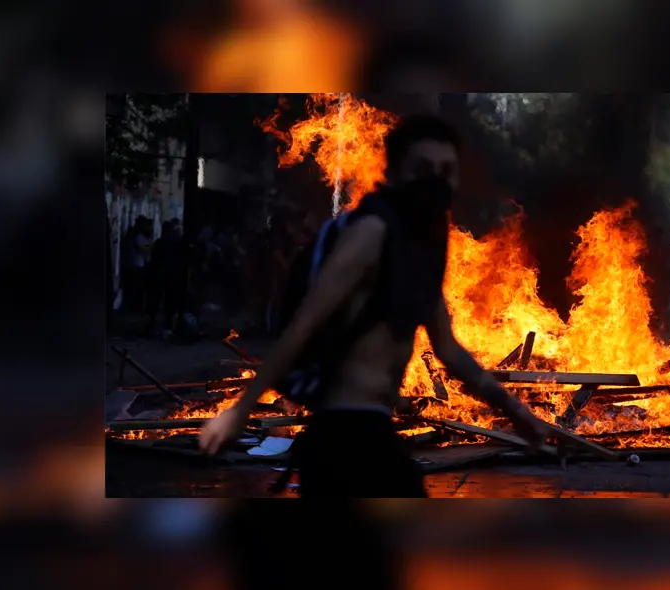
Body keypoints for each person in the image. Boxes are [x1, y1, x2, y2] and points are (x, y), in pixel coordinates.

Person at [199, 114, 547, 496]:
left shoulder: (423, 245)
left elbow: (449, 351)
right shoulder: (372, 231)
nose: (435, 179)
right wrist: (241, 411)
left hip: (377, 431)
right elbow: (304, 324)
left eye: (446, 170)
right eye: (423, 168)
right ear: (396, 172)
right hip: (341, 433)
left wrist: (516, 413)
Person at [147, 218, 190, 337]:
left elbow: (154, 259)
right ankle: (169, 326)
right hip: (174, 276)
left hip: (161, 275)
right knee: (171, 302)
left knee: (157, 302)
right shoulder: (179, 242)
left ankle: (153, 326)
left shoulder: (160, 243)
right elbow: (186, 260)